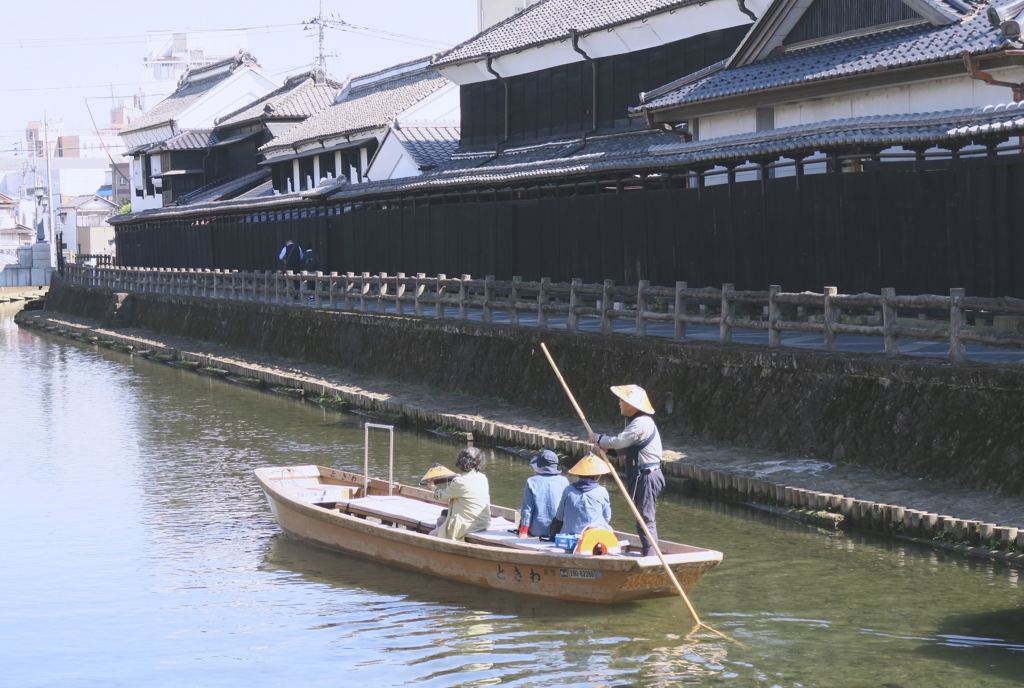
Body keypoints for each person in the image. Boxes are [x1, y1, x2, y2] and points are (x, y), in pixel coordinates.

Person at [589, 384, 664, 556]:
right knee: (641, 517)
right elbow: (626, 448)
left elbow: (619, 441)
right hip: (644, 475)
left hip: (647, 476)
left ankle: (652, 556)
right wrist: (609, 451)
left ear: (632, 404)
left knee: (645, 518)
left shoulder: (641, 423)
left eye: (622, 400)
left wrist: (599, 439)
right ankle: (650, 551)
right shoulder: (638, 423)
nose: (619, 403)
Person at [425, 446, 491, 541]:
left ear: (461, 462)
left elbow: (441, 496)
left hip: (467, 525)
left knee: (431, 535)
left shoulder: (459, 482)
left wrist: (432, 487)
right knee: (442, 519)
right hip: (483, 523)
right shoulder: (483, 477)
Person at [549, 453, 612, 538]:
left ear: (579, 474)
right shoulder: (602, 491)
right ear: (597, 476)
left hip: (569, 537)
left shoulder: (568, 490)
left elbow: (559, 516)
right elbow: (607, 518)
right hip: (591, 538)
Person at [517, 449, 570, 538]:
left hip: (537, 530)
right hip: (558, 531)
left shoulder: (531, 481)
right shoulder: (564, 481)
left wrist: (523, 532)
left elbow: (527, 510)